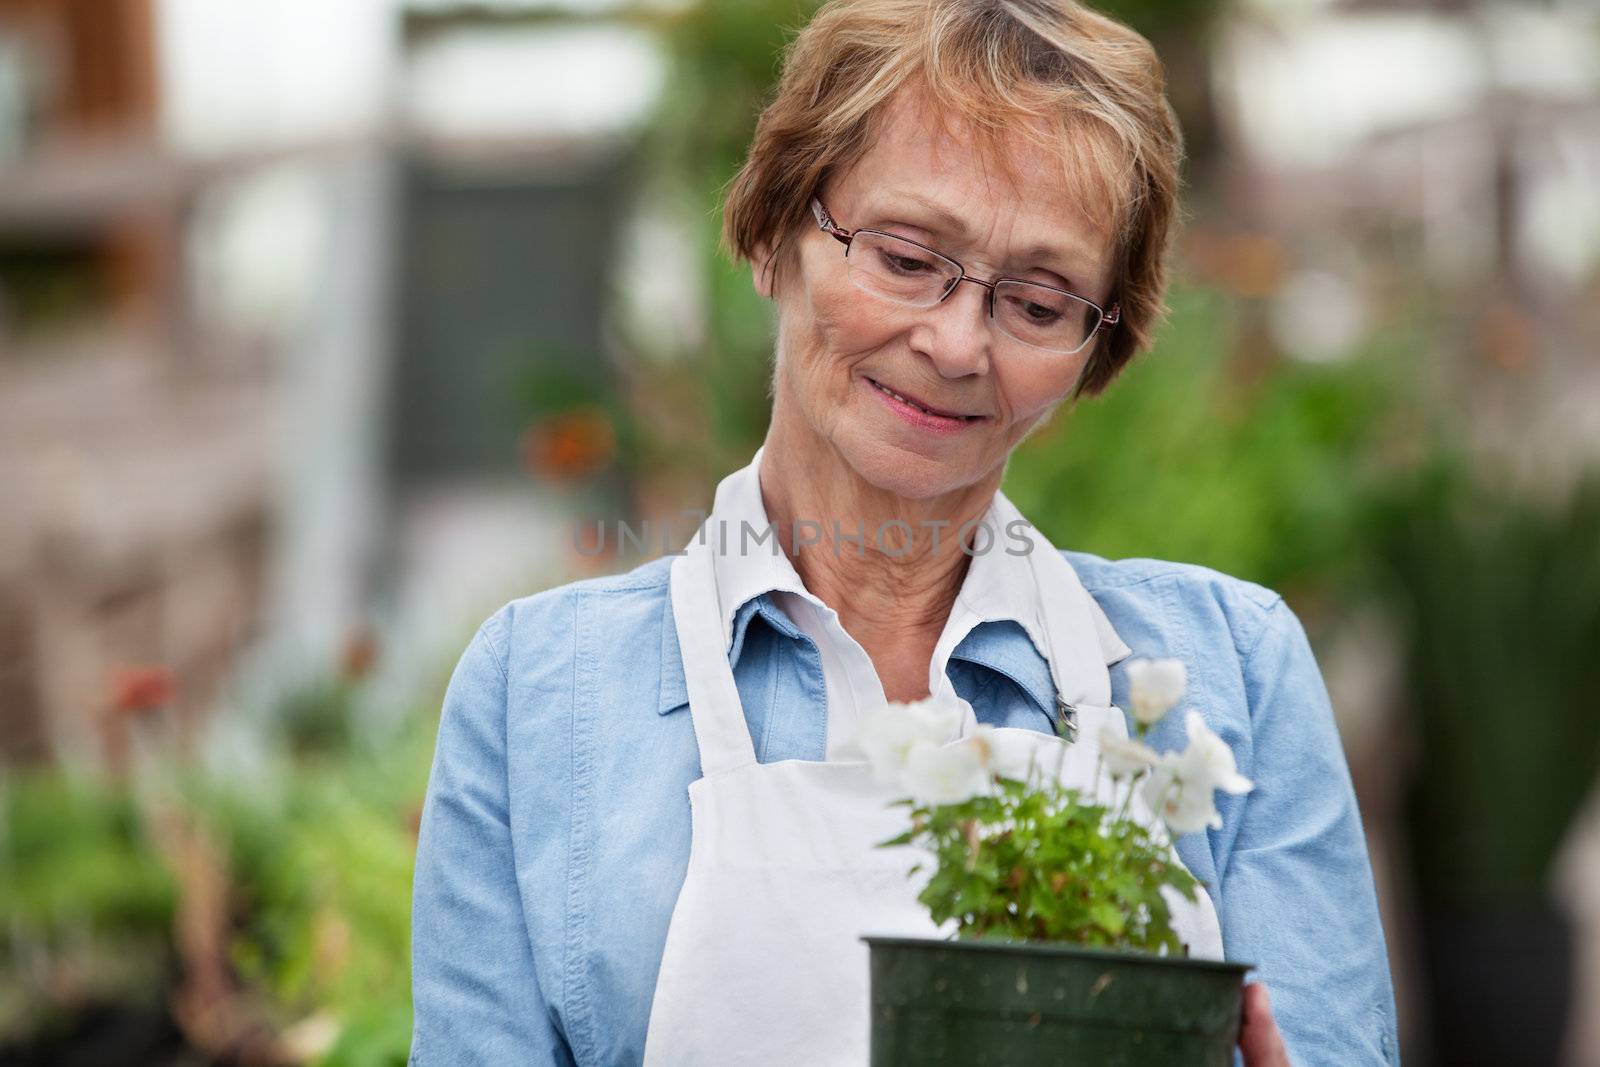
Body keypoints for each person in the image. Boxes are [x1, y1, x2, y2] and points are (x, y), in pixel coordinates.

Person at [408, 0, 1400, 1063]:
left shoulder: (1227, 674)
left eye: (1038, 299)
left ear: (1094, 351)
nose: (957, 340)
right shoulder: (542, 696)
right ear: (773, 234)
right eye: (905, 255)